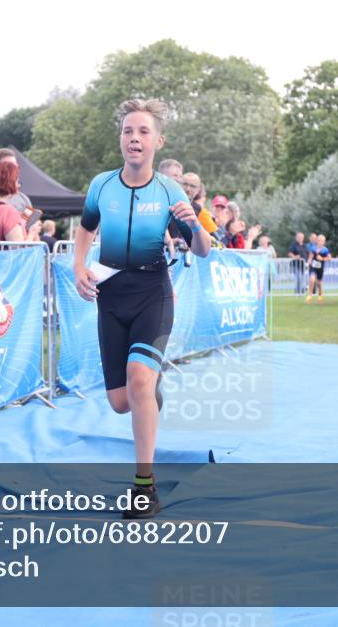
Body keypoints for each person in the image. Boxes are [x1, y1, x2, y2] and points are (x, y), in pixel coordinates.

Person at [73, 98, 210, 519]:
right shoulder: (102, 186)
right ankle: (150, 389)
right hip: (111, 296)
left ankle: (144, 487)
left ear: (157, 141)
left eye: (143, 132)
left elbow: (203, 250)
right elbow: (85, 229)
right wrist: (78, 266)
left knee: (137, 377)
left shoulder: (169, 190)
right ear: (120, 139)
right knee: (121, 401)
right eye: (128, 131)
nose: (134, 138)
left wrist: (193, 225)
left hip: (153, 293)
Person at [0, 148, 33, 215]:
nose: (14, 169)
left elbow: (29, 219)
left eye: (16, 166)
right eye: (9, 166)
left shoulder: (23, 199)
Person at [305, 234, 331, 303]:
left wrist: (322, 258)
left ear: (324, 242)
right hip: (313, 267)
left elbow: (329, 258)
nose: (320, 242)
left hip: (320, 268)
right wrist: (309, 262)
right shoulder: (313, 248)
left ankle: (320, 295)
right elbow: (310, 256)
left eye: (322, 241)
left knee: (319, 283)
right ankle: (310, 295)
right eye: (319, 240)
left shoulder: (325, 250)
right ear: (317, 241)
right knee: (312, 279)